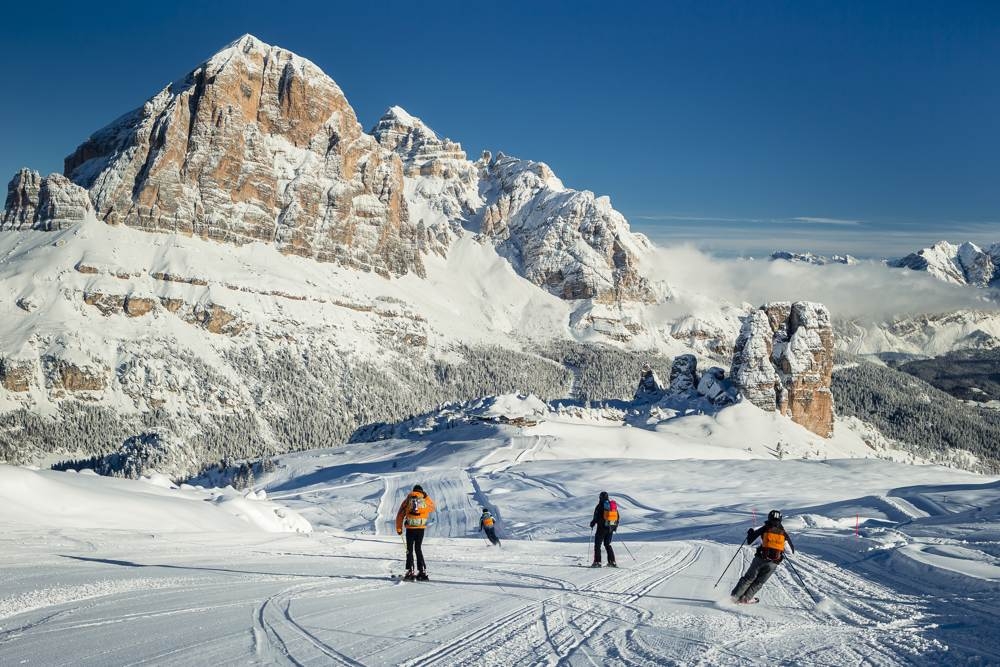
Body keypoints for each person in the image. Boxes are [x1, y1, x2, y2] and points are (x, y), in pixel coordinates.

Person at [731, 509, 796, 603]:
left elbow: (750, 542)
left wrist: (750, 533)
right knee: (759, 582)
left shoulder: (764, 529)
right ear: (780, 520)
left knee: (748, 578)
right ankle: (745, 599)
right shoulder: (783, 533)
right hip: (773, 563)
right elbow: (790, 552)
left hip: (760, 559)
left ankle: (734, 598)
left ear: (769, 518)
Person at [395, 484, 436, 581]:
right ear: (421, 491)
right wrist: (426, 496)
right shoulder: (424, 500)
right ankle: (422, 571)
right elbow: (432, 507)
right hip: (420, 528)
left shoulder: (408, 500)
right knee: (418, 549)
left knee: (409, 549)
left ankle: (410, 570)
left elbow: (400, 515)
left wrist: (399, 529)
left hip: (410, 529)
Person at [589, 491, 619, 567]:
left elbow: (596, 516)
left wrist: (592, 523)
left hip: (601, 529)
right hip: (610, 528)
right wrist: (615, 527)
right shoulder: (612, 506)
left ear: (600, 497)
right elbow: (617, 517)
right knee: (607, 544)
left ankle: (597, 562)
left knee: (597, 545)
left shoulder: (600, 506)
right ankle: (612, 561)